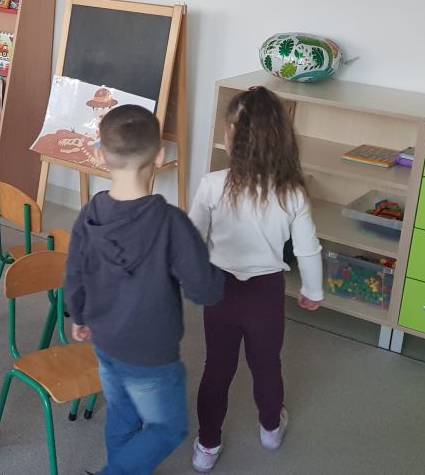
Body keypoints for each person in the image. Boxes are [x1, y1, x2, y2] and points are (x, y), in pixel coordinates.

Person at [64, 105, 224, 475]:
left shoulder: (89, 214)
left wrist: (80, 315)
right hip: (151, 354)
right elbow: (203, 290)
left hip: (105, 340)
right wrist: (221, 277)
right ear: (160, 156)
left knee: (122, 416)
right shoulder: (171, 223)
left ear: (100, 155)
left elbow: (75, 274)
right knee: (169, 428)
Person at [189, 86, 323, 473]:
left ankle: (207, 446)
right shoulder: (292, 193)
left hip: (220, 290)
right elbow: (308, 250)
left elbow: (191, 240)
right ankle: (270, 430)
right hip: (266, 294)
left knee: (217, 368)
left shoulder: (212, 184)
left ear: (232, 136)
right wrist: (313, 291)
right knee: (266, 364)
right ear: (281, 139)